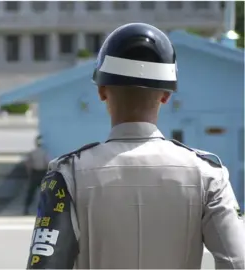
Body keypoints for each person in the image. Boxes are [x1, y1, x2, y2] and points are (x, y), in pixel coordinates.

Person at [26, 23, 244, 269]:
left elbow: (45, 266)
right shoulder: (208, 175)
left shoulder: (67, 175)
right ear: (166, 95)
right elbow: (237, 262)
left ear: (101, 91)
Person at [23, 135, 49, 215]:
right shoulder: (44, 152)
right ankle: (47, 210)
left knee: (31, 192)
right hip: (42, 173)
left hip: (35, 173)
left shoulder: (32, 152)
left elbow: (28, 163)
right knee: (45, 193)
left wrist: (29, 172)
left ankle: (26, 208)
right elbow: (47, 163)